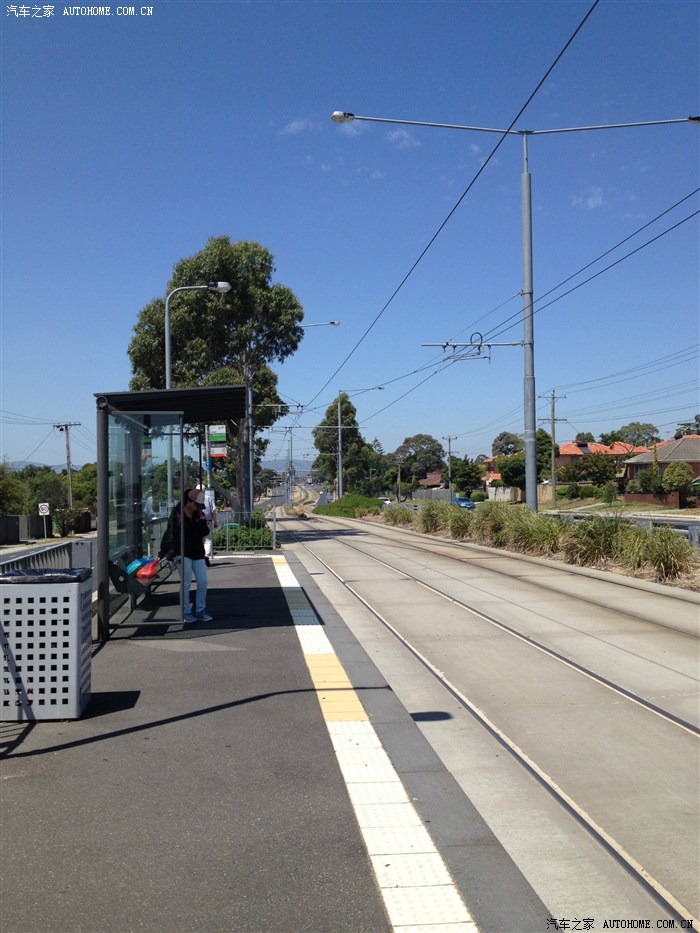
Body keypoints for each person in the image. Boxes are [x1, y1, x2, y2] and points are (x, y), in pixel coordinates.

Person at [160, 487, 213, 624]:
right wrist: (162, 552)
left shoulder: (198, 514)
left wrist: (201, 519)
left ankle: (200, 610)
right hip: (182, 552)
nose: (197, 508)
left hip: (197, 551)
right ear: (188, 501)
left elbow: (204, 532)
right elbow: (170, 534)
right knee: (186, 583)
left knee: (203, 581)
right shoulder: (177, 514)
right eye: (196, 505)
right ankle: (186, 612)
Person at [200, 487, 218, 566]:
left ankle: (199, 558)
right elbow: (213, 511)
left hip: (197, 523)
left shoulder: (194, 499)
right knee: (208, 540)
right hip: (207, 522)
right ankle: (206, 555)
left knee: (199, 540)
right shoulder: (208, 498)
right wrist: (215, 522)